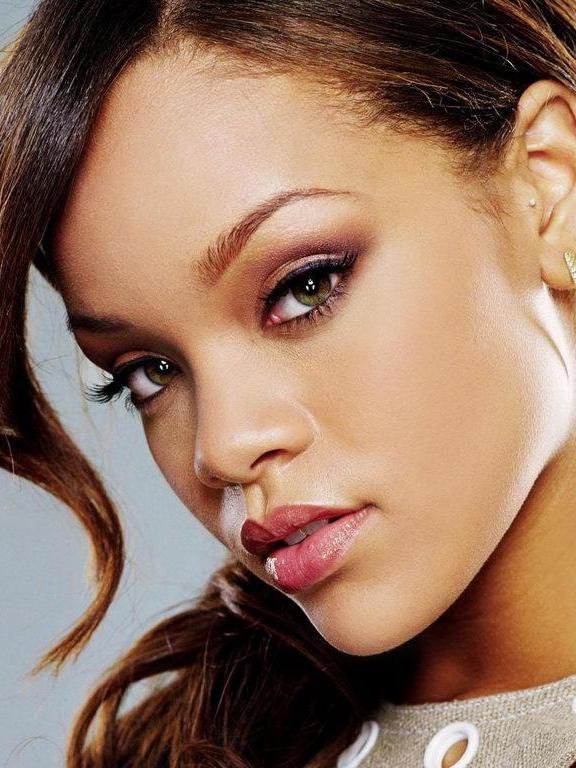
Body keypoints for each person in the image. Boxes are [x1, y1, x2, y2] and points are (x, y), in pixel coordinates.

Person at [2, 0, 576, 766]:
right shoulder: (185, 748)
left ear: (550, 184)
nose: (222, 447)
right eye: (150, 370)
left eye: (306, 287)